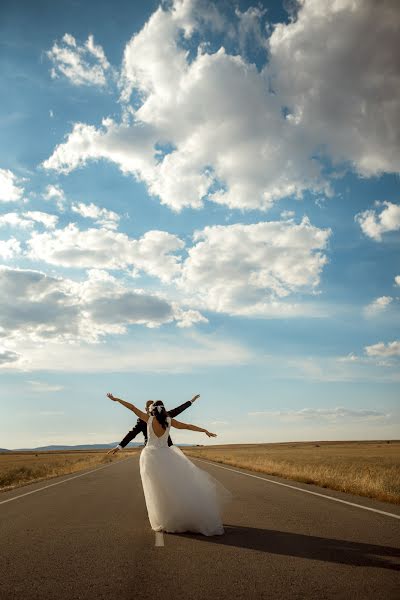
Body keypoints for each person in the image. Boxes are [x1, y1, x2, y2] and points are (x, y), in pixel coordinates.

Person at [106, 393, 231, 536]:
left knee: (156, 489)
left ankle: (164, 519)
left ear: (152, 409)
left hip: (150, 457)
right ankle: (175, 516)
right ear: (164, 409)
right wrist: (204, 430)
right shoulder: (169, 420)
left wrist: (117, 400)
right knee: (172, 487)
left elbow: (132, 407)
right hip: (167, 455)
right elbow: (188, 426)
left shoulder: (148, 419)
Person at [107, 394, 200, 454]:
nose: (150, 409)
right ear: (146, 409)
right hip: (150, 451)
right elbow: (132, 434)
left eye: (152, 407)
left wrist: (191, 401)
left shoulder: (165, 416)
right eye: (149, 407)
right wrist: (119, 446)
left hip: (166, 448)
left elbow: (179, 409)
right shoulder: (142, 420)